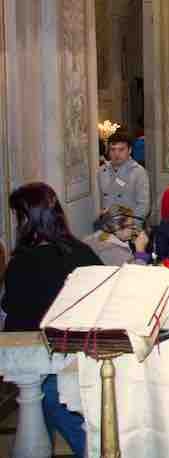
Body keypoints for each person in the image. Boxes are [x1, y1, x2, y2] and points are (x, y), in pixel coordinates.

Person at [4, 183, 102, 456]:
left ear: (27, 219)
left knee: (44, 402)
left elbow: (17, 314)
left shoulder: (24, 262)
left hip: (50, 357)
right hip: (90, 353)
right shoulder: (80, 251)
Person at [99, 132, 150, 220]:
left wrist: (131, 224)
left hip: (130, 225)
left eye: (121, 149)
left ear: (129, 150)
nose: (116, 154)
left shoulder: (139, 172)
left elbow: (144, 206)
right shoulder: (102, 171)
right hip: (107, 224)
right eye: (113, 149)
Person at [83, 206, 151, 265]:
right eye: (131, 225)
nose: (135, 227)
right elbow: (136, 273)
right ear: (117, 228)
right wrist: (140, 250)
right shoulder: (111, 250)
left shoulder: (100, 235)